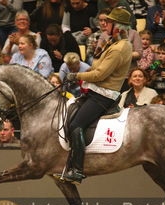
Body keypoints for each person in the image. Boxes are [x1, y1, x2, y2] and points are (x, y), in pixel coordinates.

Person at [58, 7, 133, 184]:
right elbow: (95, 67)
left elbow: (100, 75)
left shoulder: (119, 48)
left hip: (104, 95)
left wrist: (76, 76)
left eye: (110, 22)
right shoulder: (113, 43)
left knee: (76, 125)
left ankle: (77, 169)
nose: (105, 24)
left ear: (119, 27)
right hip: (95, 92)